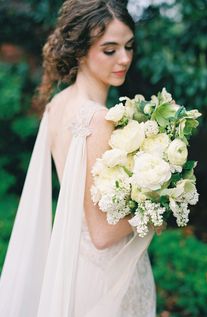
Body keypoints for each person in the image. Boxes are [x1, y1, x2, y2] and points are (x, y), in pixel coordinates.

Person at [0, 1, 156, 316]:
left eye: (128, 46)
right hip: (106, 280)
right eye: (109, 50)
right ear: (80, 51)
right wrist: (161, 207)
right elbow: (102, 233)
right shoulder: (98, 119)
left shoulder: (59, 103)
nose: (124, 58)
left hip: (73, 266)